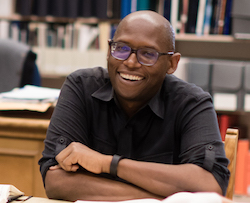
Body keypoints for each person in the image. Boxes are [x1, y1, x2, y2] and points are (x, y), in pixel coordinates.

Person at [39, 10, 230, 201]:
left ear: (172, 63)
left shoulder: (192, 102)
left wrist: (108, 164)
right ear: (108, 51)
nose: (130, 62)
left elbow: (209, 185)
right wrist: (157, 198)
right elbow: (56, 182)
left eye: (148, 54)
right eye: (121, 48)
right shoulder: (81, 87)